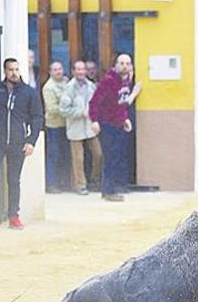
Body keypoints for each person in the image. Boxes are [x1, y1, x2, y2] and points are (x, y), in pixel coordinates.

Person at [0, 58, 43, 229]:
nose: (14, 73)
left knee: (13, 180)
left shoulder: (29, 92)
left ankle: (13, 215)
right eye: (10, 69)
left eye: (16, 69)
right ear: (5, 71)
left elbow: (38, 117)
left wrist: (31, 141)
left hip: (18, 142)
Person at [89, 54, 141, 202]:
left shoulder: (124, 82)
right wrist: (94, 120)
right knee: (110, 157)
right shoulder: (109, 81)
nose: (124, 66)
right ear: (115, 65)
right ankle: (108, 190)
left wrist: (125, 118)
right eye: (121, 63)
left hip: (118, 123)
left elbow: (119, 103)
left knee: (116, 157)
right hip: (107, 124)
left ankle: (110, 189)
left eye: (127, 63)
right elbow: (94, 102)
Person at [59, 60, 103, 195]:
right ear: (73, 72)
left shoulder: (91, 86)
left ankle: (94, 180)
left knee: (98, 154)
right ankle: (80, 185)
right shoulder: (69, 88)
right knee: (78, 158)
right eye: (78, 69)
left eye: (83, 69)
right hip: (75, 128)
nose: (81, 72)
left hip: (90, 127)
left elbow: (97, 104)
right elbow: (63, 109)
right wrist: (80, 113)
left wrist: (96, 119)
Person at [42, 61, 70, 193]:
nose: (58, 72)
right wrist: (69, 109)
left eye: (60, 69)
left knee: (65, 155)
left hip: (67, 125)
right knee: (54, 155)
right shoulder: (48, 87)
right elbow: (52, 108)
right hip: (54, 126)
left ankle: (65, 182)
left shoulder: (66, 82)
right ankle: (51, 183)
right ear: (50, 72)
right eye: (55, 70)